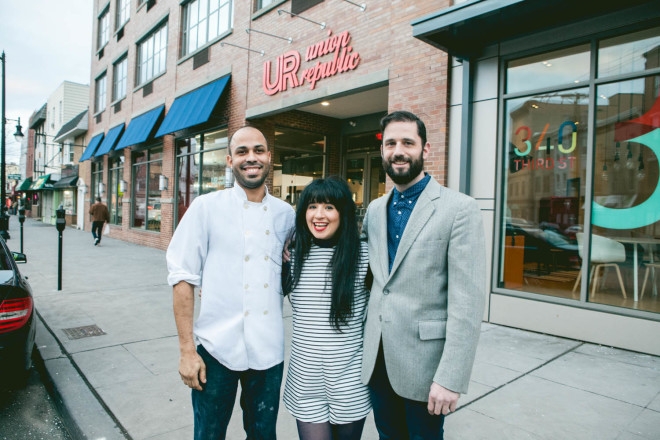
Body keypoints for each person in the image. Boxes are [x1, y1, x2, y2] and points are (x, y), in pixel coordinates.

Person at [361, 111, 486, 439]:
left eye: (407, 142)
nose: (398, 150)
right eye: (390, 143)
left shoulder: (459, 209)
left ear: (425, 149)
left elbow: (468, 304)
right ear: (383, 151)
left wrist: (450, 377)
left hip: (426, 368)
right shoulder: (374, 211)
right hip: (378, 361)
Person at [166, 126, 295, 440]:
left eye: (258, 150)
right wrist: (186, 351)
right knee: (209, 435)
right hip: (216, 349)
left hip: (268, 352)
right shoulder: (206, 208)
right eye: (242, 152)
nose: (251, 158)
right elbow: (182, 277)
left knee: (263, 435)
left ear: (269, 157)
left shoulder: (287, 214)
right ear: (229, 160)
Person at [283, 177, 371, 440]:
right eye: (312, 206)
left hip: (350, 380)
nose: (319, 215)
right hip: (305, 379)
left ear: (343, 212)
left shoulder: (365, 255)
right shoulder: (292, 256)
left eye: (329, 207)